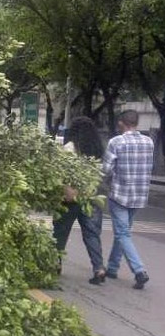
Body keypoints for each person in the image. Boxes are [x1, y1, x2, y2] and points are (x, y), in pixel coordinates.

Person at [103, 110, 153, 290]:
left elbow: (106, 169)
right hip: (139, 195)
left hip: (120, 194)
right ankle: (112, 268)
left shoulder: (116, 142)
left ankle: (139, 271)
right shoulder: (149, 142)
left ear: (121, 123)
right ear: (137, 123)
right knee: (122, 232)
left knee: (122, 234)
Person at [54, 117, 106, 285]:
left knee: (60, 232)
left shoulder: (69, 148)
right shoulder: (98, 150)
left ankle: (55, 264)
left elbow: (60, 171)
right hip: (91, 196)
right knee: (92, 234)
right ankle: (99, 268)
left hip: (70, 198)